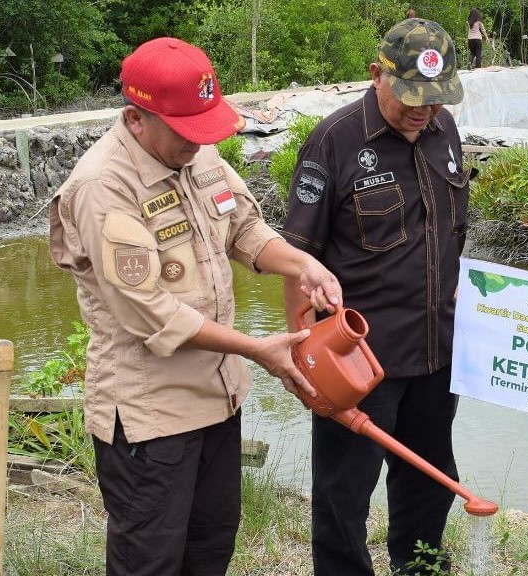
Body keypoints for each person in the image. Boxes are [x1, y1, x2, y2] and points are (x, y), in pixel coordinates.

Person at [49, 37, 342, 576]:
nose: (198, 142)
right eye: (186, 130)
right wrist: (258, 350)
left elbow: (244, 229)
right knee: (151, 563)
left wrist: (302, 265)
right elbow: (151, 313)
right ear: (137, 120)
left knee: (210, 550)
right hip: (150, 416)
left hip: (218, 400)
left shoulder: (194, 150)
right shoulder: (102, 186)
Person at [281, 18, 469, 576]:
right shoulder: (334, 141)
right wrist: (301, 356)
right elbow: (295, 259)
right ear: (376, 75)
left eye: (435, 100)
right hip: (358, 363)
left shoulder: (445, 132)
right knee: (344, 495)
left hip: (437, 355)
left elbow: (452, 235)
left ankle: (420, 569)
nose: (424, 112)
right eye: (412, 97)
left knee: (428, 482)